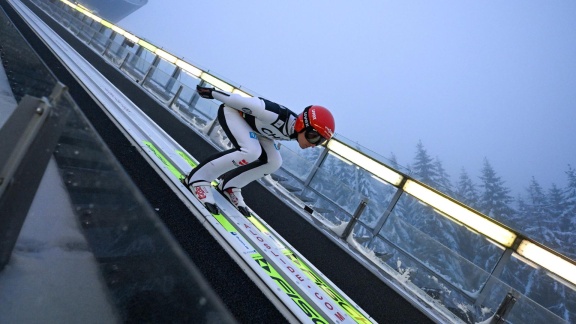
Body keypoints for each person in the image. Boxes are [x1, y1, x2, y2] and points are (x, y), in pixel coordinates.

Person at [182, 85, 335, 216]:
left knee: (274, 162)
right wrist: (212, 93)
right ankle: (198, 178)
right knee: (251, 151)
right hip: (233, 113)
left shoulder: (294, 131)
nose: (313, 144)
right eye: (313, 136)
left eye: (320, 141)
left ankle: (230, 186)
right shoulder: (275, 115)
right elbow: (240, 101)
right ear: (303, 125)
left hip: (258, 129)